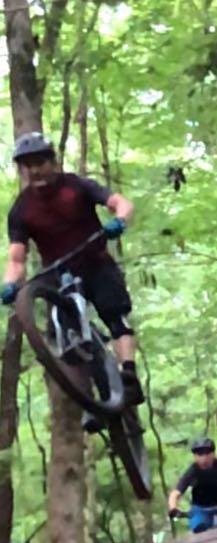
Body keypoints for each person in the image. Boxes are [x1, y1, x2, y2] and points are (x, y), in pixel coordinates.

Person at [0, 131, 144, 424]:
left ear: (52, 161)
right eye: (27, 165)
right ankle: (95, 402)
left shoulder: (77, 186)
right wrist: (9, 284)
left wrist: (118, 221)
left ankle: (128, 376)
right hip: (60, 276)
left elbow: (121, 203)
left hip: (97, 263)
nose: (34, 170)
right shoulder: (21, 210)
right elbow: (17, 257)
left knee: (116, 317)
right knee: (69, 343)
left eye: (40, 162)